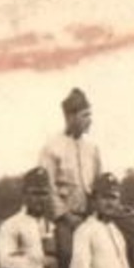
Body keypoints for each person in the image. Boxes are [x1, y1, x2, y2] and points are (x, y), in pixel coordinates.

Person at [40, 87, 102, 216]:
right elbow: (48, 188)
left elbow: (99, 184)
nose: (90, 121)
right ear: (70, 117)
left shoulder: (93, 148)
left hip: (90, 216)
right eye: (85, 115)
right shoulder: (52, 147)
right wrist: (65, 216)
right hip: (63, 219)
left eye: (90, 115)